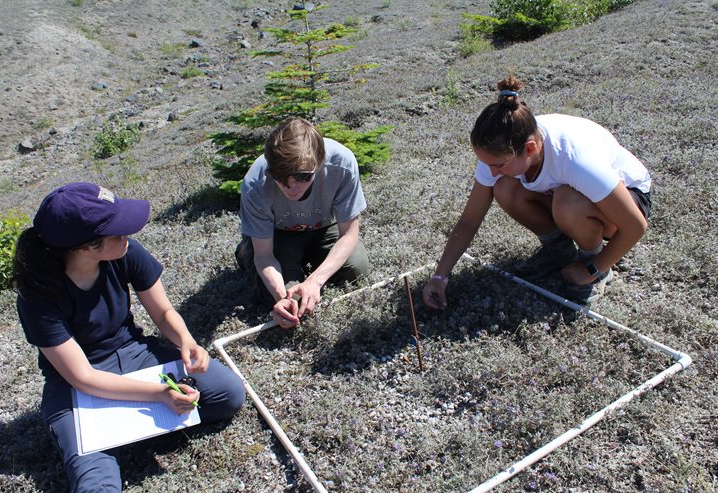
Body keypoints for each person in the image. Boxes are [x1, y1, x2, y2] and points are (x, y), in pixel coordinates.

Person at [13, 182, 246, 493]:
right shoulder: (38, 296)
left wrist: (186, 341)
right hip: (76, 388)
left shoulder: (124, 252)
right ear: (85, 247)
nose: (128, 234)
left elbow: (164, 312)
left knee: (228, 394)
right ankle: (125, 437)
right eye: (117, 230)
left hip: (136, 354)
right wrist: (160, 395)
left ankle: (132, 432)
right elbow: (82, 377)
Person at [423, 74, 651, 308]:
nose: (490, 172)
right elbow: (469, 221)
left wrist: (593, 269)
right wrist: (440, 277)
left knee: (567, 202)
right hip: (569, 194)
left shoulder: (573, 159)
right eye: (487, 164)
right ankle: (559, 253)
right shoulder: (499, 149)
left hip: (627, 200)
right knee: (503, 187)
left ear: (530, 148)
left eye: (498, 165)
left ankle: (594, 263)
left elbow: (635, 225)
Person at [235, 117, 370, 329]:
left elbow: (349, 235)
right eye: (280, 177)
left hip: (325, 227)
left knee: (357, 268)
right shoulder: (256, 183)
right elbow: (264, 255)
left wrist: (314, 282)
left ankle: (308, 263)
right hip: (277, 233)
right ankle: (245, 251)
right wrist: (282, 298)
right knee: (291, 303)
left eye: (302, 176)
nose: (291, 187)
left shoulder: (341, 163)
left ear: (320, 161)